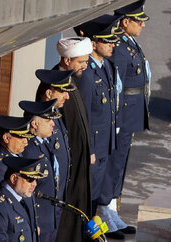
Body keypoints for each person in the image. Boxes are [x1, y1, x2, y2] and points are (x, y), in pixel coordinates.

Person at [98, 0, 150, 239]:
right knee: (113, 163)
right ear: (125, 21)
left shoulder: (130, 42)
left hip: (131, 113)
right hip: (122, 113)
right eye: (138, 21)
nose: (142, 25)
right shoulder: (118, 45)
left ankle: (112, 211)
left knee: (120, 163)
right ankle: (104, 212)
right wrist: (115, 119)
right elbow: (115, 85)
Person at [74, 14, 121, 220]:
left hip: (104, 146)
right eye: (107, 41)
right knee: (87, 199)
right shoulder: (88, 74)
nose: (112, 45)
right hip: (93, 150)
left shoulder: (107, 66)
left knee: (94, 200)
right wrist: (89, 150)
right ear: (94, 44)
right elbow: (83, 115)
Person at [47, 37, 93, 242]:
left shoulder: (71, 80)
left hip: (79, 167)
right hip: (69, 170)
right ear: (67, 60)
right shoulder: (56, 84)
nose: (86, 65)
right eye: (81, 61)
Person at [33, 69, 75, 241]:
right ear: (49, 93)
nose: (67, 96)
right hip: (42, 208)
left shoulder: (56, 117)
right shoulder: (41, 122)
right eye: (62, 92)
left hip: (55, 201)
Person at [0, 156, 46, 242]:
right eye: (30, 179)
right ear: (14, 178)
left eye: (36, 180)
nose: (34, 184)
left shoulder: (26, 197)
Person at [19, 99, 62, 242]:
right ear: (35, 123)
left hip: (49, 217)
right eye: (48, 120)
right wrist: (32, 222)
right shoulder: (29, 150)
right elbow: (26, 191)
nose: (53, 124)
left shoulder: (43, 144)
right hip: (38, 221)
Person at [0, 115, 34, 186]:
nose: (26, 142)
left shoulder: (17, 154)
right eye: (21, 137)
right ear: (6, 138)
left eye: (26, 138)